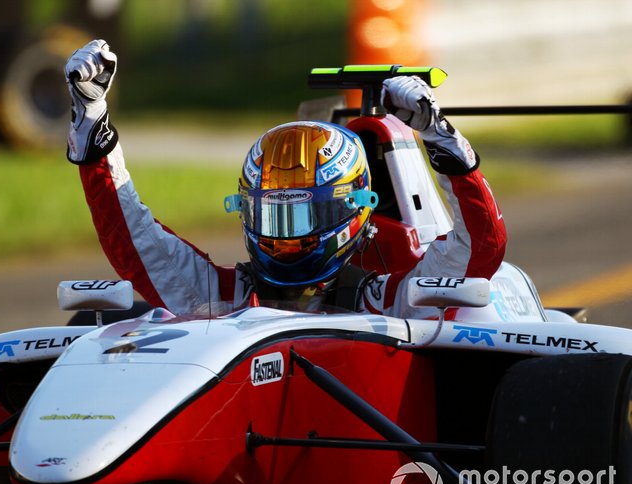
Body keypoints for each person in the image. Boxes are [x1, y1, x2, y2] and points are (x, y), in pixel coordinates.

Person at [64, 39, 507, 318]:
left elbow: (481, 249)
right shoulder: (225, 296)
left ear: (352, 211)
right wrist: (93, 130)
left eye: (300, 217)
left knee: (477, 314)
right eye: (273, 216)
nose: (283, 240)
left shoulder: (393, 302)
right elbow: (137, 244)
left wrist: (436, 132)